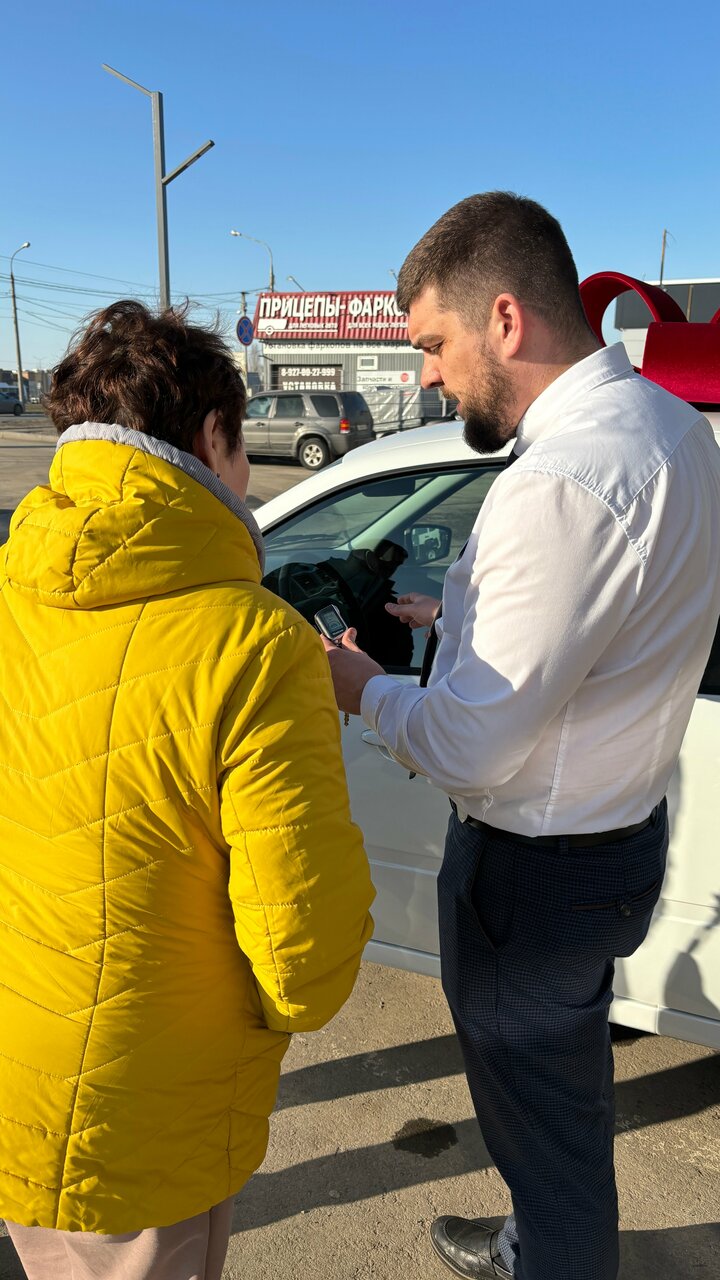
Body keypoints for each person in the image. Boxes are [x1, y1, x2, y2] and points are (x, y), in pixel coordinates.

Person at [322, 192, 720, 1280]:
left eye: (433, 345)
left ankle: (547, 1251)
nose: (428, 377)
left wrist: (362, 687)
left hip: (533, 877)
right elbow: (609, 624)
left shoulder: (557, 482)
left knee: (544, 1143)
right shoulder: (670, 429)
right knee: (563, 1101)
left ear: (505, 319)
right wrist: (457, 622)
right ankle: (542, 1238)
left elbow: (468, 747)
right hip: (615, 839)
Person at [0, 301, 374, 1280]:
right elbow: (303, 957)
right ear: (213, 437)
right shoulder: (255, 644)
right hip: (148, 1104)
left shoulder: (9, 585)